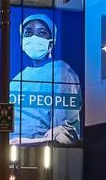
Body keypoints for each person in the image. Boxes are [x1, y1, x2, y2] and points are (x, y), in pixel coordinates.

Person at [9, 13, 82, 145]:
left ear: (52, 41)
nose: (34, 37)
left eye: (41, 33)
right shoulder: (16, 81)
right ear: (21, 41)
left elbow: (67, 134)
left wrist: (31, 142)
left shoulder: (61, 73)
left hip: (40, 153)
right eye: (28, 33)